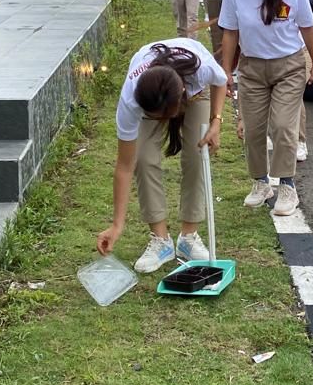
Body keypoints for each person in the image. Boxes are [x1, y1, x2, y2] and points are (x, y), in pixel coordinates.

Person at [97, 39, 227, 272]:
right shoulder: (132, 99)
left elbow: (221, 81)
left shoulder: (201, 69)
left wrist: (216, 121)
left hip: (195, 94)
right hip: (157, 95)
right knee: (144, 159)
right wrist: (116, 225)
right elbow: (124, 166)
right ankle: (161, 241)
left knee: (198, 154)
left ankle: (188, 238)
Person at [219, 0, 313, 217]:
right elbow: (230, 33)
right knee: (253, 130)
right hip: (252, 68)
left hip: (288, 67)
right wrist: (226, 70)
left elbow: (307, 28)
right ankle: (261, 183)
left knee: (282, 126)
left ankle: (287, 185)